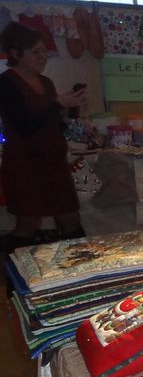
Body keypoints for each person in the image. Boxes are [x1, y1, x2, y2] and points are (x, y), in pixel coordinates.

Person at [0, 22, 87, 249]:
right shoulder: (7, 82)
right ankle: (14, 279)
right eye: (35, 52)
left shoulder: (46, 83)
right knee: (28, 223)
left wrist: (67, 114)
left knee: (71, 220)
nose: (43, 57)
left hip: (54, 163)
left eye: (44, 52)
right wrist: (57, 103)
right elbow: (24, 125)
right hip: (25, 164)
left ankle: (80, 275)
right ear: (15, 53)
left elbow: (52, 124)